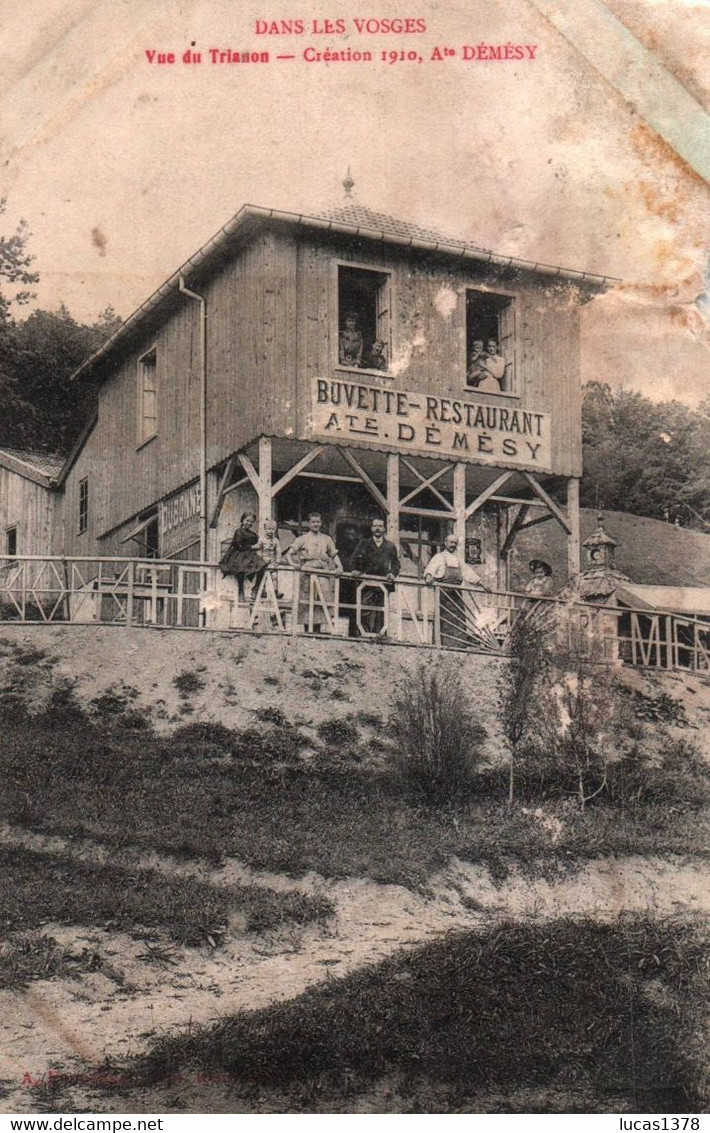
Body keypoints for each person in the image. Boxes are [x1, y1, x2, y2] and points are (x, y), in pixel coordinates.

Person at [286, 512, 343, 633]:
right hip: (307, 573)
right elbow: (289, 553)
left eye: (318, 522)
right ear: (309, 523)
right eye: (313, 522)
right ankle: (308, 630)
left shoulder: (326, 539)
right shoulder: (303, 538)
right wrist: (293, 564)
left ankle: (318, 630)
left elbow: (334, 554)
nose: (315, 524)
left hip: (322, 572)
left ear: (321, 523)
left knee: (323, 599)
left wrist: (340, 566)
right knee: (307, 600)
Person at [349, 517, 401, 636]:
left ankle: (380, 636)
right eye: (375, 526)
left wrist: (392, 573)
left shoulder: (390, 546)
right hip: (366, 583)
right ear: (372, 528)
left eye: (380, 526)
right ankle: (364, 634)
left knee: (381, 610)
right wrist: (354, 570)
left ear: (384, 529)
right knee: (365, 608)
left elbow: (396, 563)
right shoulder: (364, 543)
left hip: (383, 583)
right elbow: (353, 559)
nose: (378, 528)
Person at [424, 533, 471, 648]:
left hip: (457, 596)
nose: (453, 545)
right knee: (444, 619)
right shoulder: (439, 557)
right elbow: (430, 569)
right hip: (444, 595)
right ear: (445, 543)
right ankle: (443, 644)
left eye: (455, 543)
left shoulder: (459, 560)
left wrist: (481, 583)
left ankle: (459, 645)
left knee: (458, 620)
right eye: (451, 542)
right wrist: (429, 576)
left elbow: (469, 573)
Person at [219, 511, 267, 601]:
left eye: (251, 522)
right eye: (247, 520)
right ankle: (240, 590)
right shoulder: (239, 532)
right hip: (238, 553)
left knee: (263, 565)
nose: (249, 523)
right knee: (240, 566)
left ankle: (256, 588)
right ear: (242, 520)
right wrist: (251, 547)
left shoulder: (253, 534)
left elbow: (256, 543)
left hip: (249, 553)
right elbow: (238, 545)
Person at [255, 517, 283, 599]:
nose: (271, 531)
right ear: (265, 529)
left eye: (273, 529)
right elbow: (259, 548)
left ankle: (275, 591)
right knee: (263, 577)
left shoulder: (276, 541)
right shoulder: (262, 539)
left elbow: (278, 551)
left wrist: (278, 561)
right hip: (263, 561)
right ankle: (262, 591)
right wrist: (259, 558)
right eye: (269, 529)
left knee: (274, 576)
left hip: (272, 561)